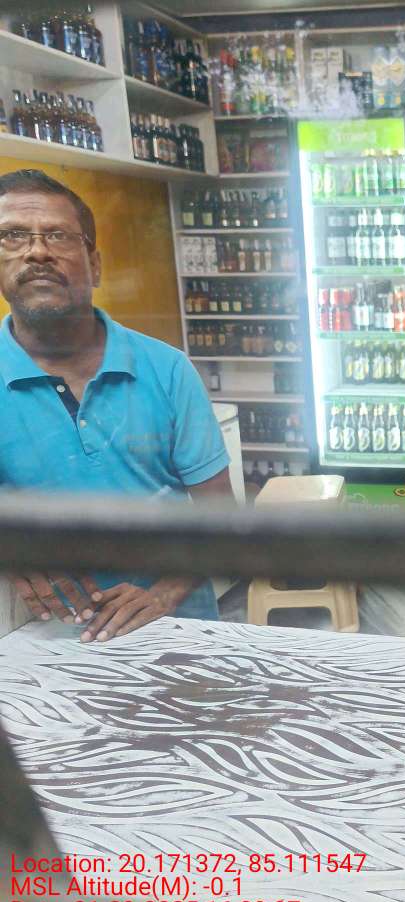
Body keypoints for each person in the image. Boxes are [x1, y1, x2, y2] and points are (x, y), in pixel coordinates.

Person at [0, 169, 233, 642]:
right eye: (13, 236)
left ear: (95, 265)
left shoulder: (167, 370)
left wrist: (162, 596)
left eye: (58, 235)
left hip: (178, 631)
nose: (37, 251)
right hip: (42, 644)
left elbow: (223, 519)